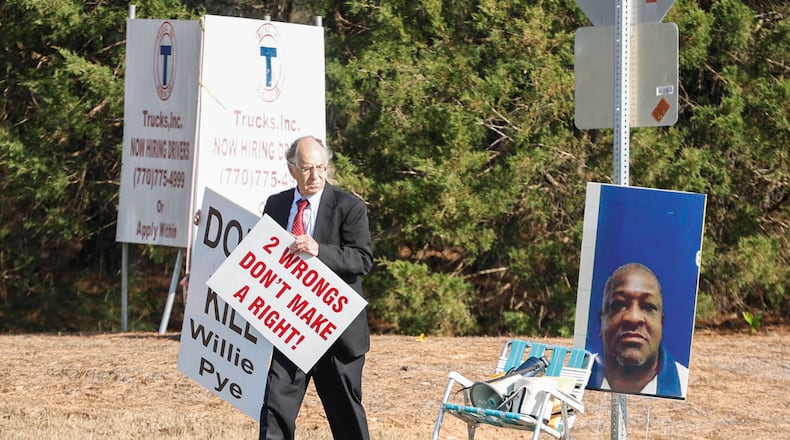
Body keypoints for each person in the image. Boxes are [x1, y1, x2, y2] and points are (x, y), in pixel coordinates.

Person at [259, 135, 374, 440]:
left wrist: (319, 249)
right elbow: (257, 254)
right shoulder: (277, 204)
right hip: (291, 326)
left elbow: (363, 259)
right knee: (275, 409)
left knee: (346, 416)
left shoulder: (348, 207)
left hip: (338, 333)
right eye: (308, 169)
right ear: (292, 168)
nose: (316, 176)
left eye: (321, 168)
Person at [588, 262, 688, 398]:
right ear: (601, 321)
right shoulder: (574, 377)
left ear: (661, 324)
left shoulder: (685, 384)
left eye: (648, 307)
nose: (633, 318)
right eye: (619, 305)